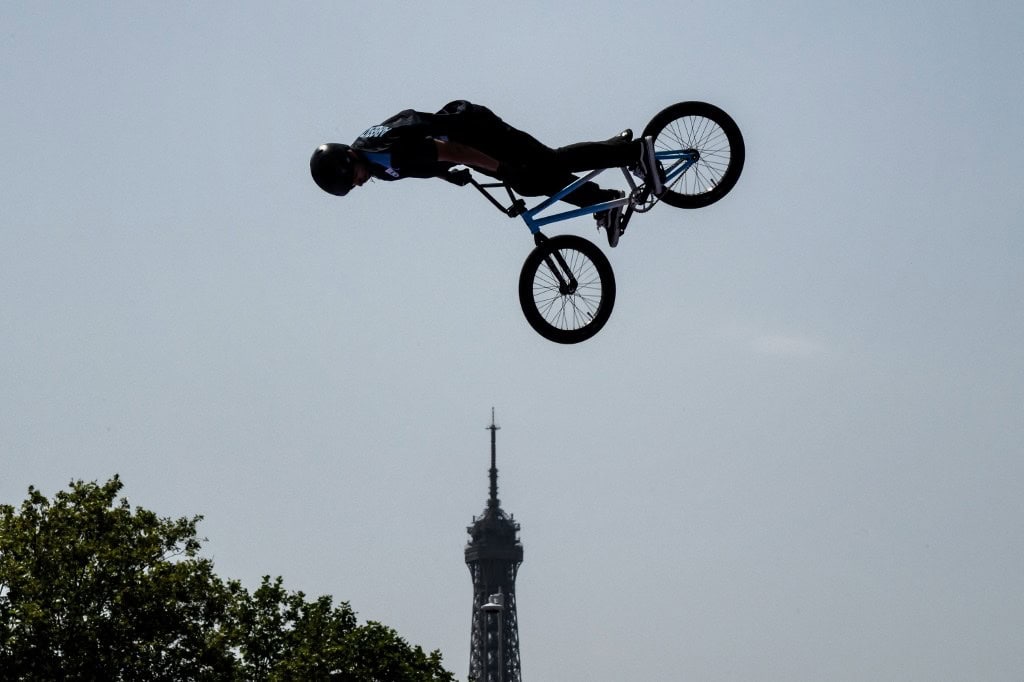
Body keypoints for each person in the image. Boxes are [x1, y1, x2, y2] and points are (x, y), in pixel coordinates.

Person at [310, 100, 663, 247]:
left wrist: (497, 167)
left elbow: (451, 150)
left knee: (547, 163)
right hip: (465, 141)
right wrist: (448, 176)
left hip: (475, 129)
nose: (358, 185)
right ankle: (603, 201)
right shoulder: (374, 161)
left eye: (351, 179)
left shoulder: (383, 152)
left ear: (347, 162)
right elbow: (424, 162)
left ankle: (632, 153)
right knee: (533, 179)